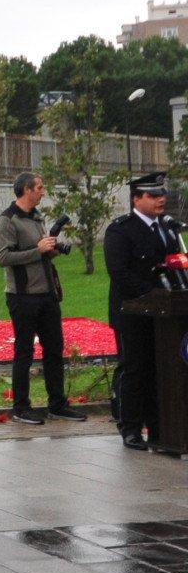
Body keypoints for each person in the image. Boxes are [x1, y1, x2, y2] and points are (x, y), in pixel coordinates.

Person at [0, 173, 86, 425]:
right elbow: (2, 258)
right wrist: (38, 250)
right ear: (26, 190)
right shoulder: (6, 220)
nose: (43, 192)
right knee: (24, 351)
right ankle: (21, 407)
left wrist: (50, 251)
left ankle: (57, 404)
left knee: (54, 349)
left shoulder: (36, 217)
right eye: (40, 188)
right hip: (22, 297)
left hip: (47, 295)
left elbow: (40, 254)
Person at [104, 171, 176, 450]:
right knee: (134, 370)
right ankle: (131, 428)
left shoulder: (168, 228)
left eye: (162, 194)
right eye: (154, 195)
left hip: (163, 315)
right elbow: (120, 274)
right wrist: (152, 293)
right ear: (137, 199)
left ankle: (160, 428)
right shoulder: (121, 230)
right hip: (131, 313)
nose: (161, 199)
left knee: (160, 371)